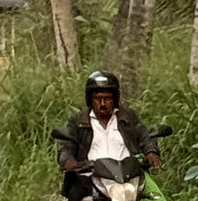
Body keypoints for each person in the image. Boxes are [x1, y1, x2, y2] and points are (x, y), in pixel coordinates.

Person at [58, 71, 161, 200]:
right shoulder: (78, 121)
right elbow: (67, 145)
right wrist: (68, 160)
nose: (102, 104)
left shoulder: (128, 117)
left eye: (107, 99)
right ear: (90, 99)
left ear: (115, 99)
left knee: (158, 198)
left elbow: (143, 135)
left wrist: (151, 151)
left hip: (129, 177)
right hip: (90, 178)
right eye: (97, 98)